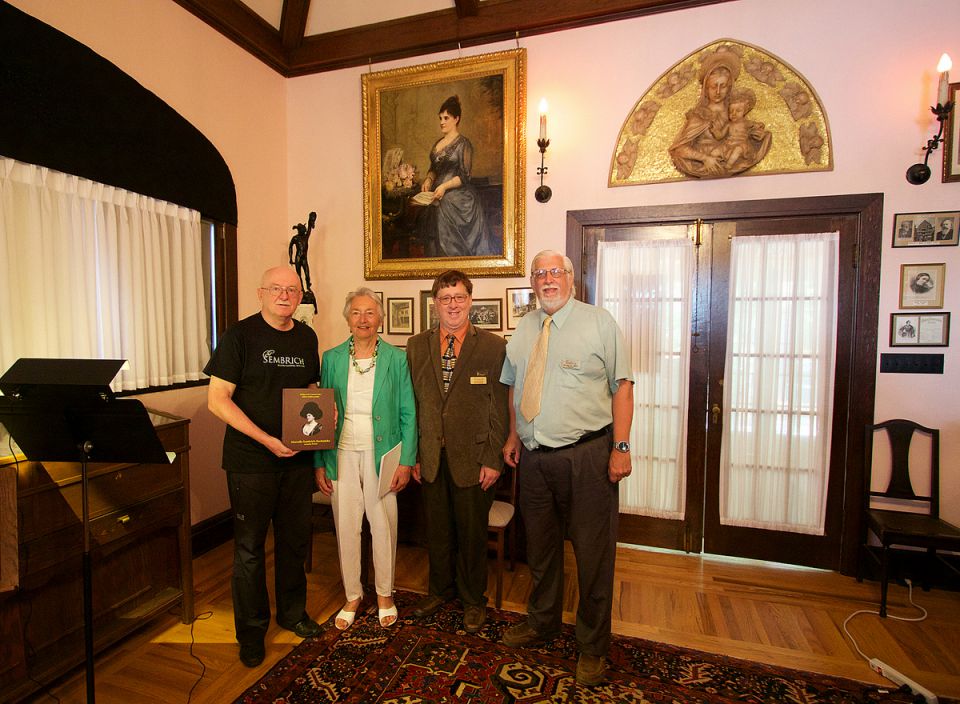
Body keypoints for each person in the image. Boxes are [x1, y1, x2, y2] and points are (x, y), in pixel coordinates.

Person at [499, 250, 634, 687]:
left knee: (593, 557)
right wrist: (514, 436)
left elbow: (623, 388)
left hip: (588, 457)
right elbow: (515, 387)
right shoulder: (524, 327)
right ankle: (542, 623)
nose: (547, 279)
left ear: (571, 278)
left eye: (555, 272)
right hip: (535, 460)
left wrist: (621, 447)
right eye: (539, 273)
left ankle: (593, 646)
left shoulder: (599, 322)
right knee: (539, 550)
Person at [204, 266, 323, 668]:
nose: (285, 295)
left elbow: (310, 388)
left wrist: (322, 416)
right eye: (277, 288)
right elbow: (218, 400)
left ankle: (292, 614)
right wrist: (268, 440)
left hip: (297, 461)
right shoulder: (239, 336)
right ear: (261, 293)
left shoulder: (307, 337)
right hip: (251, 462)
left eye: (292, 289)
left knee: (293, 544)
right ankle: (252, 632)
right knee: (250, 550)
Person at [406, 270, 509, 633]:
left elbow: (500, 407)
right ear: (435, 304)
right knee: (437, 531)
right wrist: (413, 455)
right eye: (445, 298)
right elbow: (412, 406)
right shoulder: (417, 345)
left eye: (459, 297)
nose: (453, 304)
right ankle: (439, 591)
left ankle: (472, 600)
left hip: (475, 457)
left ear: (470, 301)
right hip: (431, 456)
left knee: (471, 534)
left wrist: (493, 459)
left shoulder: (494, 346)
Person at [314, 288, 417, 630]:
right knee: (346, 525)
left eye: (370, 313)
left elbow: (408, 411)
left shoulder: (396, 358)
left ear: (380, 319)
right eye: (356, 312)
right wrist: (319, 462)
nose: (363, 319)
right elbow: (321, 411)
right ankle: (353, 595)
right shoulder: (330, 358)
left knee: (383, 523)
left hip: (383, 453)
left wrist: (406, 460)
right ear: (347, 318)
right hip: (341, 451)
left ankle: (385, 594)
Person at [669, 47, 770, 178]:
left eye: (722, 86)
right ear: (706, 88)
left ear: (729, 87)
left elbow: (745, 131)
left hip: (734, 154)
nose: (717, 92)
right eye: (713, 86)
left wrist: (754, 133)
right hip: (707, 162)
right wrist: (705, 159)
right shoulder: (699, 116)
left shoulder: (736, 113)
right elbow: (679, 150)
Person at [418, 95, 496, 257]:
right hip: (436, 194)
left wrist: (444, 187)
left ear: (456, 119)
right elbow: (434, 168)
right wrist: (429, 179)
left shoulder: (463, 144)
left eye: (446, 118)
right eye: (440, 118)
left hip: (458, 198)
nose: (442, 122)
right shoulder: (438, 143)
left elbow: (465, 175)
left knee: (443, 208)